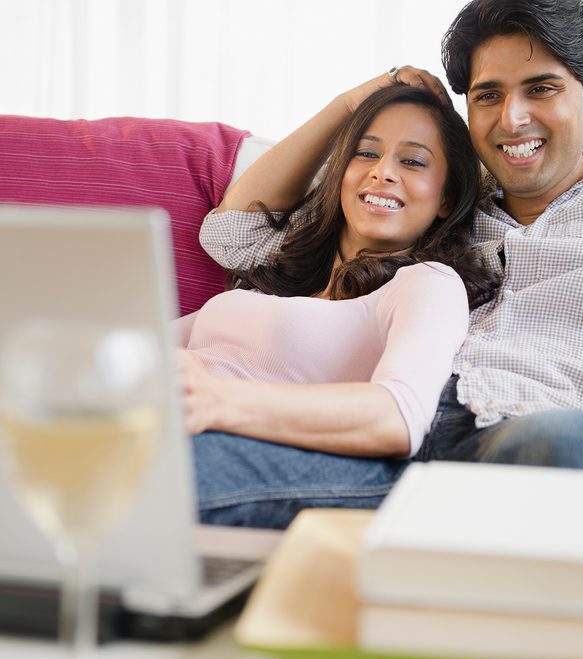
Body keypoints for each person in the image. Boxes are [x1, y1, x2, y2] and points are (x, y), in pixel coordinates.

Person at [193, 0, 583, 529]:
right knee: (183, 471)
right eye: (488, 95)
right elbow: (234, 236)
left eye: (540, 89)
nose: (512, 118)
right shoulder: (436, 200)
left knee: (570, 445)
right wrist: (356, 102)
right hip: (396, 444)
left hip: (545, 444)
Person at [177, 85, 498, 481]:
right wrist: (347, 104)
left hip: (222, 450)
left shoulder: (428, 283)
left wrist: (218, 399)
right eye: (366, 153)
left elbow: (399, 416)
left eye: (413, 161)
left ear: (446, 198)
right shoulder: (271, 282)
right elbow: (228, 230)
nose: (383, 171)